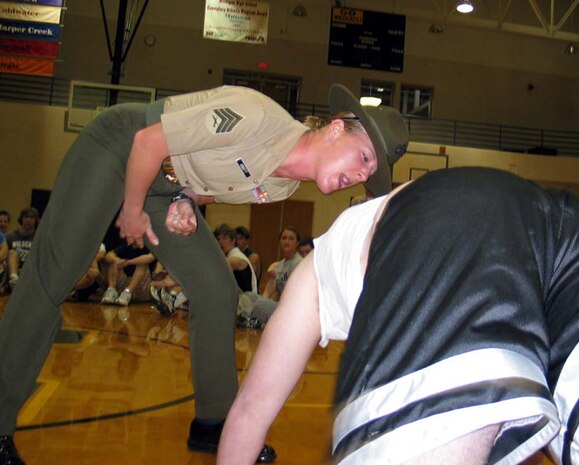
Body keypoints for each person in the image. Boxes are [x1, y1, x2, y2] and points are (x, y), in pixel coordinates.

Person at [0, 83, 408, 465]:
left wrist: (184, 200)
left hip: (164, 184)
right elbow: (149, 141)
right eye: (364, 158)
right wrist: (132, 209)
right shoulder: (256, 117)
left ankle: (216, 424)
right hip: (119, 147)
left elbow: (210, 184)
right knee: (54, 274)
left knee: (216, 291)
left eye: (368, 177)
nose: (359, 176)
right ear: (336, 129)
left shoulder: (284, 187)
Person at [217, 167, 579, 465]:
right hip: (555, 220)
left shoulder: (312, 277)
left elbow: (251, 409)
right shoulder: (360, 240)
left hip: (448, 223)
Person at [215, 224, 257, 293]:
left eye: (225, 238)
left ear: (233, 240)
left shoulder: (236, 257)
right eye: (219, 239)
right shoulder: (231, 255)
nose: (220, 242)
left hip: (247, 302)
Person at [5, 207, 39, 291]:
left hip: (31, 271)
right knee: (12, 252)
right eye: (26, 217)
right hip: (13, 271)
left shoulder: (40, 238)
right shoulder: (10, 236)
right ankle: (14, 280)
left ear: (35, 221)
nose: (28, 220)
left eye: (31, 218)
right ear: (21, 219)